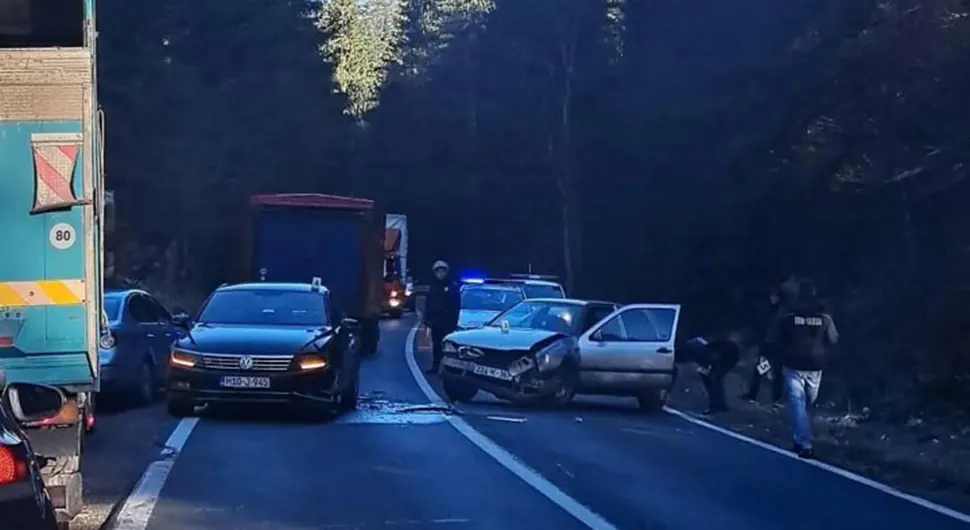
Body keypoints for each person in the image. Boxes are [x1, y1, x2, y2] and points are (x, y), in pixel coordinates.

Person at [768, 279, 838, 459]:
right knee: (807, 401)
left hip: (793, 363)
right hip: (815, 364)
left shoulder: (788, 313)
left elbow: (775, 338)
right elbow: (833, 339)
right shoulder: (824, 314)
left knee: (798, 404)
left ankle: (803, 440)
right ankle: (803, 440)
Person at [741, 287, 785, 407]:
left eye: (774, 296)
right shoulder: (770, 311)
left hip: (777, 347)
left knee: (777, 372)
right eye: (771, 296)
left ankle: (776, 399)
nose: (772, 298)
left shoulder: (782, 312)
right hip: (768, 345)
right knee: (760, 369)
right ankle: (753, 394)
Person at [684, 333, 741, 415]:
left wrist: (708, 371)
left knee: (714, 380)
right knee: (714, 380)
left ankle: (715, 406)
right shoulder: (703, 348)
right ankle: (720, 405)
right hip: (726, 355)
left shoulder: (707, 351)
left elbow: (713, 359)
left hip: (729, 357)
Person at [423, 260, 460, 374]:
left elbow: (456, 305)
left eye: (442, 271)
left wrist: (453, 320)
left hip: (448, 322)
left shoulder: (452, 287)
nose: (440, 274)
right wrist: (427, 319)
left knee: (448, 347)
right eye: (438, 272)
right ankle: (436, 366)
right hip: (436, 322)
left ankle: (449, 368)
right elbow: (428, 304)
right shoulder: (433, 287)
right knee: (436, 345)